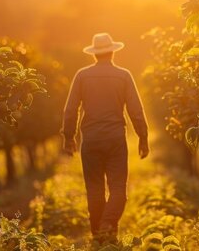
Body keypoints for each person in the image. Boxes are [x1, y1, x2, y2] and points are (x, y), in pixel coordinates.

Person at [61, 32, 150, 244]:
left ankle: (99, 237)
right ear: (112, 52)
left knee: (94, 190)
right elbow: (136, 110)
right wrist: (143, 137)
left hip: (90, 140)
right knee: (119, 189)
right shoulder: (124, 75)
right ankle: (108, 228)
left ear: (94, 55)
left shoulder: (82, 76)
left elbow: (70, 110)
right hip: (115, 139)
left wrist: (68, 136)